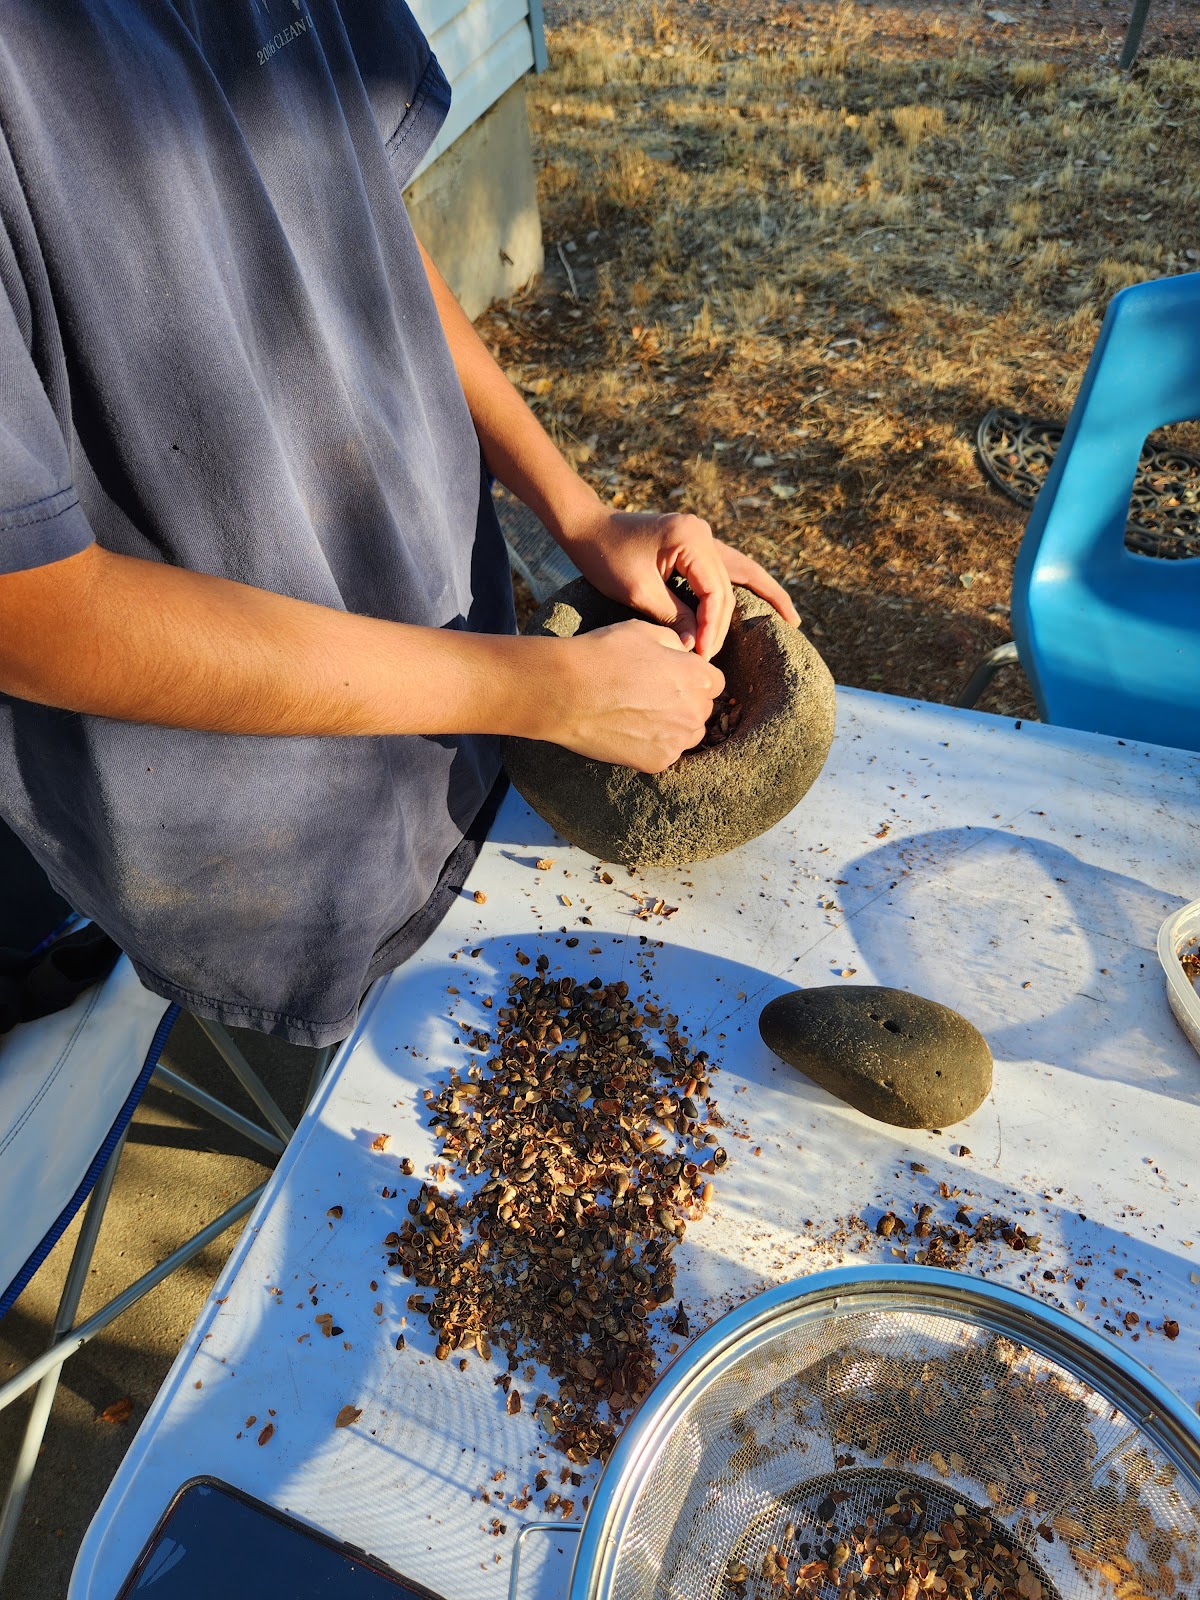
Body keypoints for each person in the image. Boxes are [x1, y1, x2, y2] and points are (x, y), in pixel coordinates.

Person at [0, 0, 799, 1047]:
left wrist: (576, 508)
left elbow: (361, 218)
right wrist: (531, 687)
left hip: (467, 692)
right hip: (263, 846)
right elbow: (40, 613)